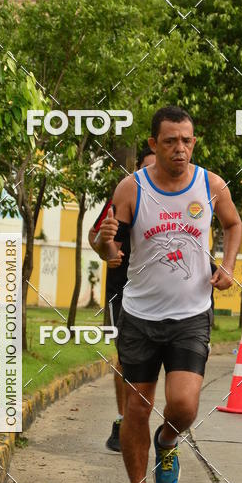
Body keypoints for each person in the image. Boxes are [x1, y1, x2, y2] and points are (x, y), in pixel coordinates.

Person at [97, 105, 242, 483]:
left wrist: (228, 266)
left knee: (183, 405)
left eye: (187, 141)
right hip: (139, 314)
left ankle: (168, 439)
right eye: (170, 141)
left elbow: (234, 224)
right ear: (153, 144)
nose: (180, 149)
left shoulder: (210, 185)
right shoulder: (131, 188)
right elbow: (110, 254)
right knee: (137, 408)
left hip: (191, 313)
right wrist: (106, 244)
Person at [89, 145, 155, 451]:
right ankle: (122, 420)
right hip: (123, 290)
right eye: (147, 168)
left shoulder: (180, 198)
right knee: (126, 357)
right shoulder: (123, 196)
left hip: (161, 294)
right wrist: (108, 251)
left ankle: (143, 420)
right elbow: (95, 235)